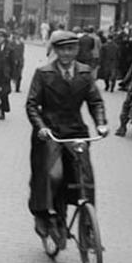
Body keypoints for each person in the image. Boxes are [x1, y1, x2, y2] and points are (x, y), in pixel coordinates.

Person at [26, 31, 108, 242]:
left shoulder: (85, 72)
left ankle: (88, 228)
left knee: (85, 178)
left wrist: (100, 123)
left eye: (70, 49)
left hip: (76, 131)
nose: (66, 53)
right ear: (55, 50)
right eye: (61, 49)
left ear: (77, 50)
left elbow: (95, 101)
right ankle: (47, 215)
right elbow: (32, 104)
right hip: (51, 133)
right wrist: (41, 127)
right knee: (54, 175)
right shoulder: (43, 73)